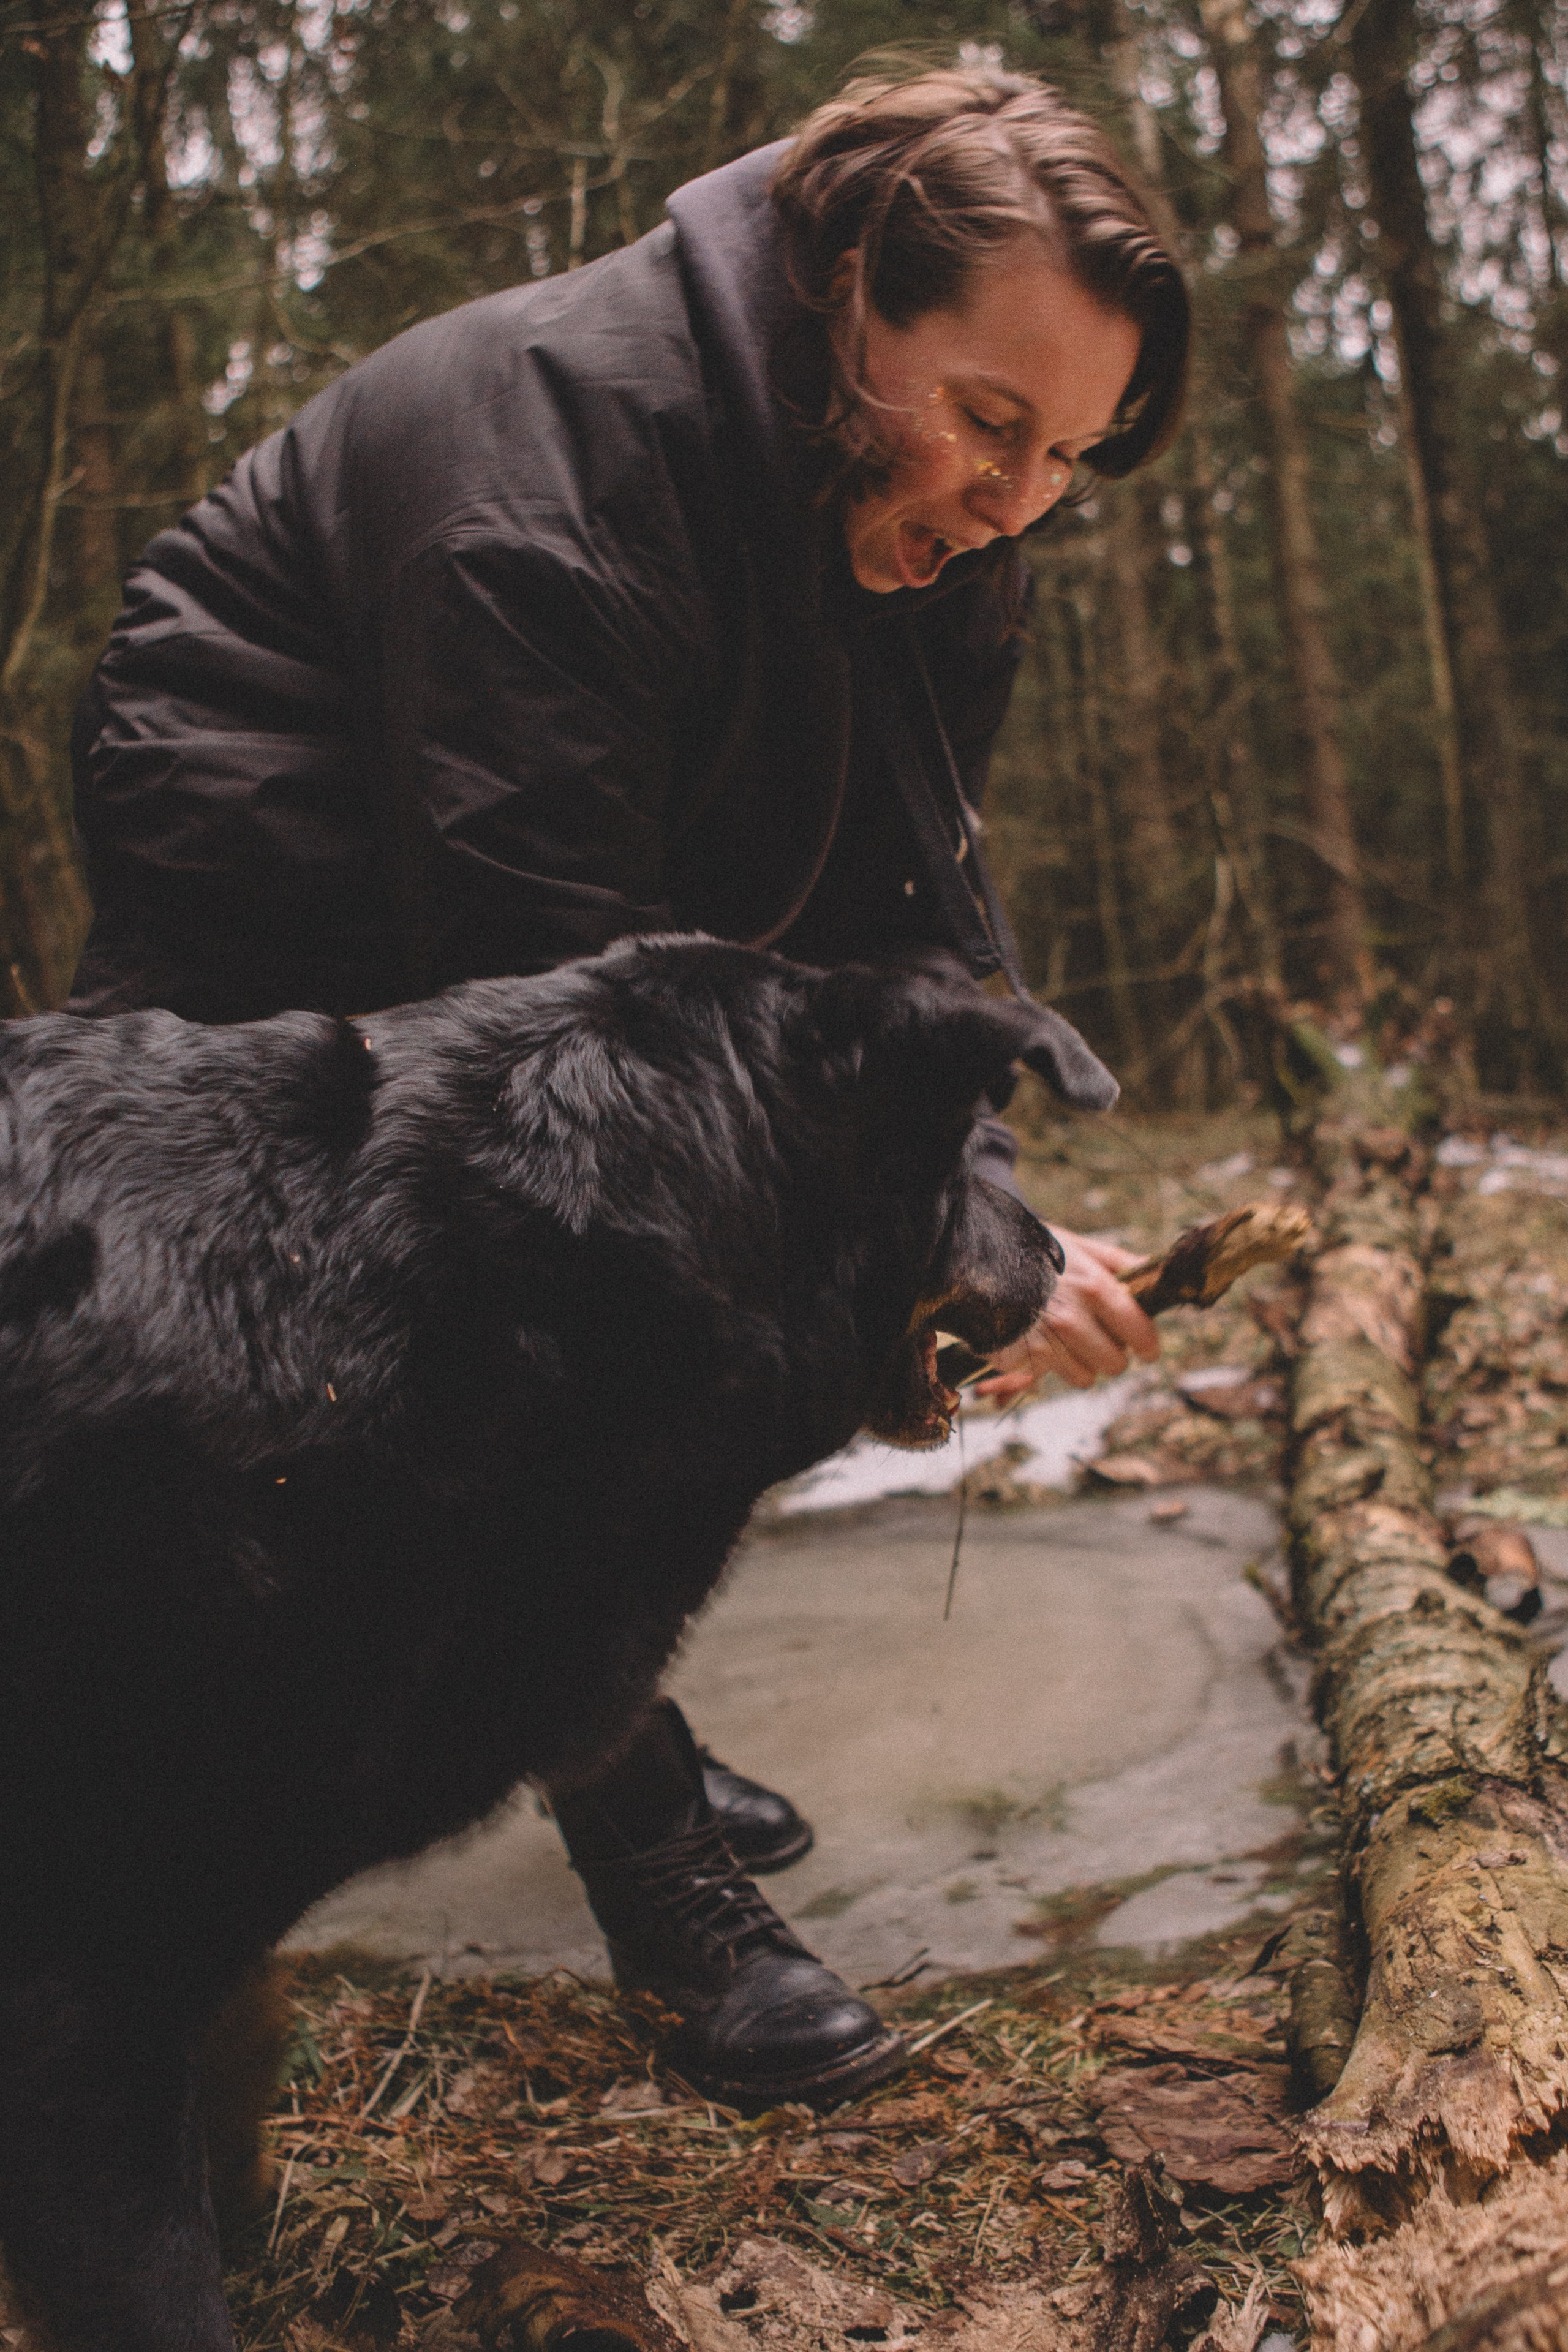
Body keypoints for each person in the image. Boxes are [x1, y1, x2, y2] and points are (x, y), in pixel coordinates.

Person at [66, 59, 1185, 2108]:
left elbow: (915, 912)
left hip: (584, 854)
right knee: (479, 1323)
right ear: (850, 291)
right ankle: (657, 1878)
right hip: (271, 842)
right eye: (990, 422)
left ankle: (597, 1735)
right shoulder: (549, 483)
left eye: (1069, 458)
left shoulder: (944, 520)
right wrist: (911, 1257)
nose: (1017, 498)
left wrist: (980, 1213)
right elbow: (568, 1122)